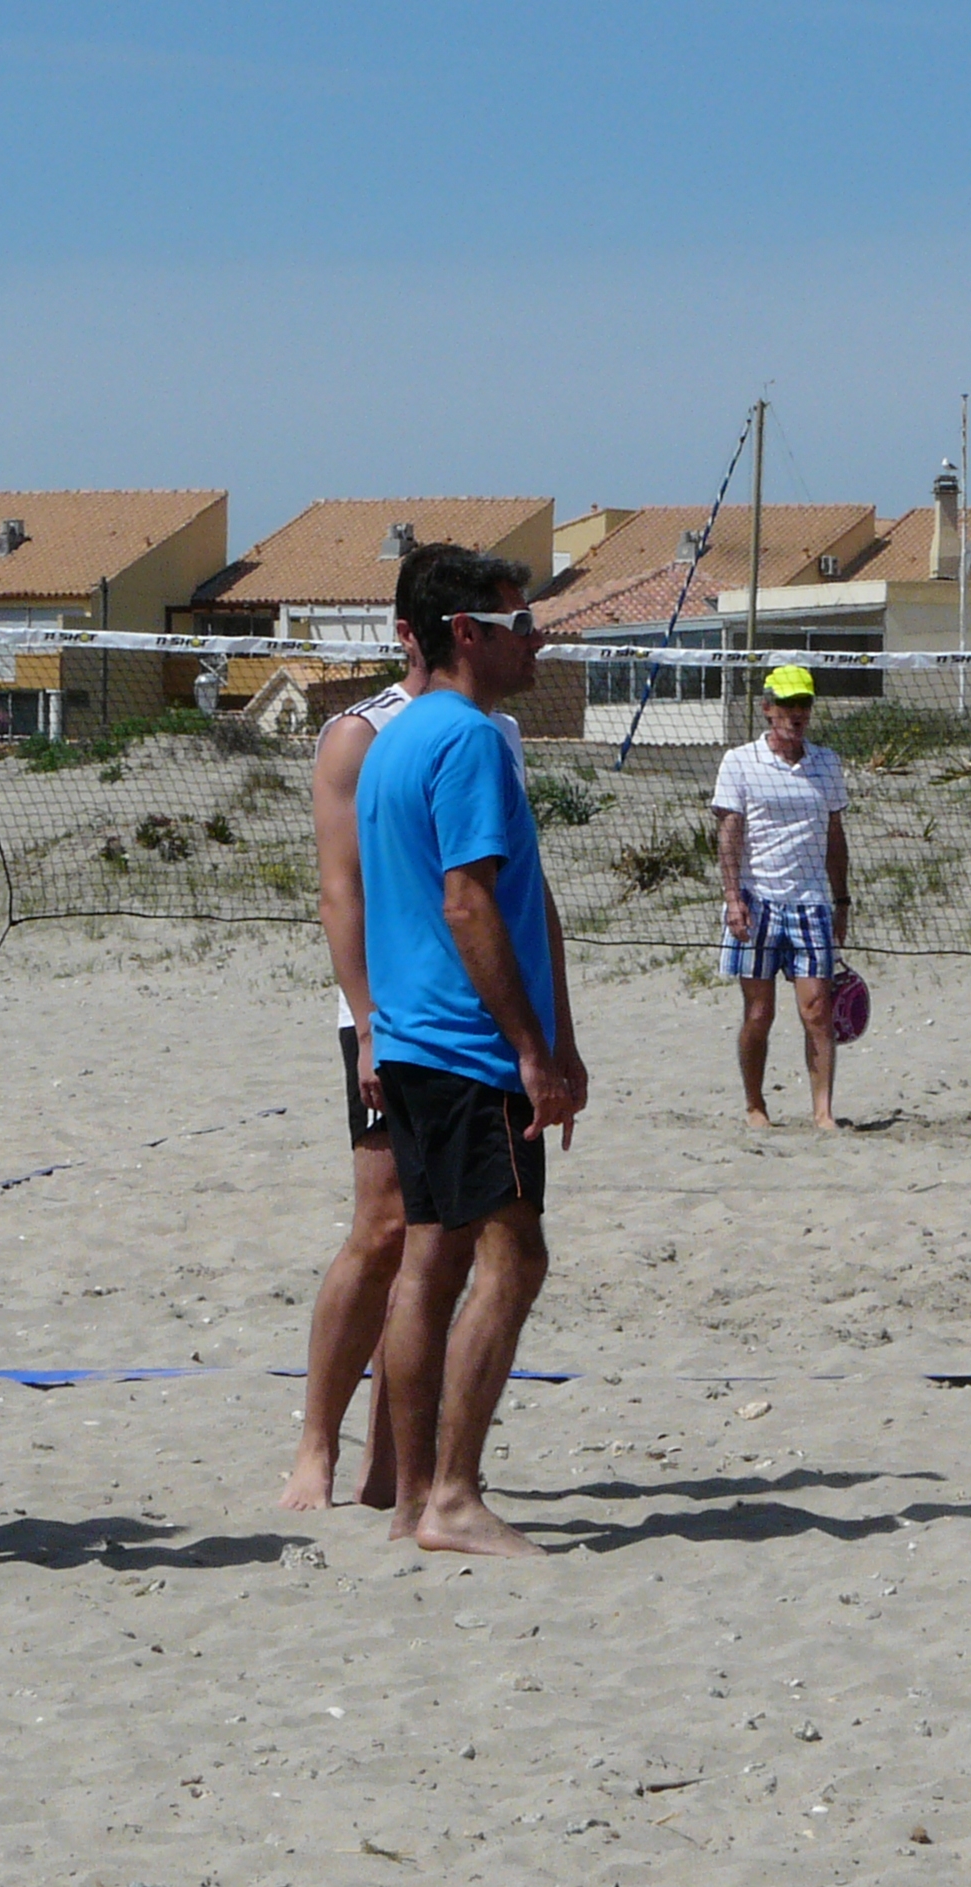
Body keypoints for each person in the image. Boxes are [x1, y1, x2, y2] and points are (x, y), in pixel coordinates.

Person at [281, 545, 530, 1512]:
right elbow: (340, 896)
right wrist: (370, 1025)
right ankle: (317, 1445)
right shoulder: (359, 734)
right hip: (385, 1017)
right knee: (383, 1229)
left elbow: (500, 891)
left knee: (437, 1239)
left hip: (461, 1019)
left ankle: (400, 1465)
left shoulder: (487, 731)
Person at [357, 551, 586, 1555]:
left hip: (411, 1044)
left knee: (428, 1264)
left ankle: (414, 1500)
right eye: (518, 620)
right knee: (513, 1258)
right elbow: (467, 901)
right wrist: (533, 1051)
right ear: (464, 632)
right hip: (464, 1049)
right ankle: (449, 1494)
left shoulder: (394, 743)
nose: (535, 635)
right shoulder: (470, 742)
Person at [713, 664, 852, 1128]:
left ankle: (823, 1112)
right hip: (758, 899)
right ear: (767, 708)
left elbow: (835, 834)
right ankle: (755, 1105)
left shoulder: (826, 763)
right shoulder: (740, 761)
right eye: (787, 705)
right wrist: (734, 898)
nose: (796, 714)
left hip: (810, 901)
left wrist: (842, 900)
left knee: (817, 1009)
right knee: (759, 1011)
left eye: (804, 705)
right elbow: (729, 832)